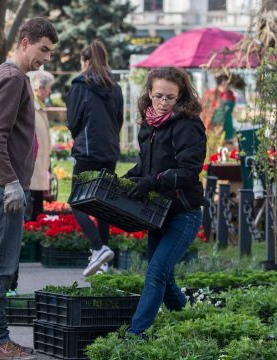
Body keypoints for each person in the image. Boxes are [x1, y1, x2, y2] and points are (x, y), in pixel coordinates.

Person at [0, 17, 58, 360]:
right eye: (43, 49)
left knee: (2, 266)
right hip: (2, 186)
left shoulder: (7, 75)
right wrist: (11, 181)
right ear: (24, 42)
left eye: (51, 52)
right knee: (1, 268)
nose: (46, 58)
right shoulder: (12, 78)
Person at [125, 67, 206, 337]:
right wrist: (127, 179)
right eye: (158, 96)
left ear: (180, 95)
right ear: (149, 93)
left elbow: (189, 170)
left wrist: (154, 181)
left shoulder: (188, 124)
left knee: (157, 272)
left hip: (184, 213)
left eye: (170, 97)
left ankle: (135, 335)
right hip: (157, 212)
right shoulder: (148, 125)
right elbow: (146, 166)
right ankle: (188, 321)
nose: (163, 102)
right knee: (165, 276)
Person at [66, 40, 124, 277]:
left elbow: (73, 120)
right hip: (110, 151)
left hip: (87, 151)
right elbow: (119, 119)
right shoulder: (115, 87)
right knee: (102, 204)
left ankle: (99, 248)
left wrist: (78, 136)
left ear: (86, 61)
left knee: (77, 202)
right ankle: (103, 263)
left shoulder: (81, 85)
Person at [27, 70, 54, 221]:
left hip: (39, 167)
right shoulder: (31, 108)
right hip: (33, 168)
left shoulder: (39, 107)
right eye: (48, 87)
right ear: (39, 88)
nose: (50, 91)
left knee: (38, 207)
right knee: (33, 209)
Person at [201, 74, 236, 142]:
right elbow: (204, 112)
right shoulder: (211, 95)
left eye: (227, 83)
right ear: (220, 83)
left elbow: (231, 110)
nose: (226, 85)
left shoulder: (230, 95)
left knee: (228, 148)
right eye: (224, 82)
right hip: (214, 126)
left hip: (228, 125)